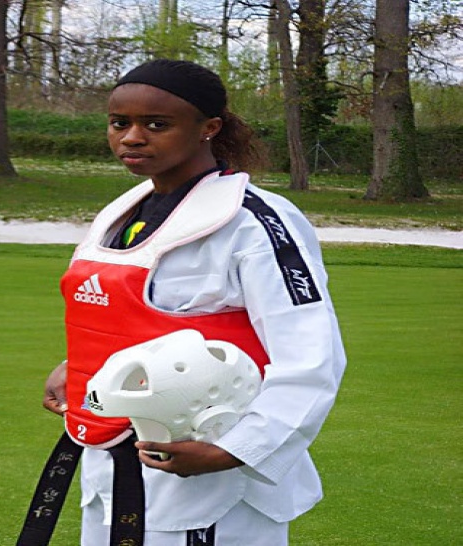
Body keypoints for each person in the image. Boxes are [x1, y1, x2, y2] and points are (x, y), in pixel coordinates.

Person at [41, 59, 347, 546]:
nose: (132, 137)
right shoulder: (121, 212)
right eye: (120, 123)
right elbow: (135, 317)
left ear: (210, 127)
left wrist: (235, 450)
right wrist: (83, 367)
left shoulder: (252, 222)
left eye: (156, 124)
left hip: (211, 480)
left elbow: (311, 357)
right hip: (109, 463)